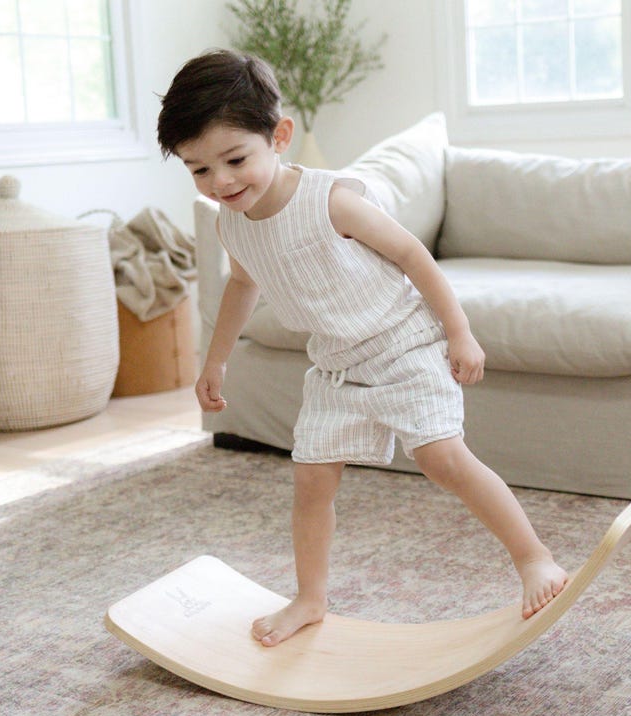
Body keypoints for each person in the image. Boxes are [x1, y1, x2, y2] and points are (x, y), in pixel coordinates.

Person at [158, 49, 568, 647]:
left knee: (442, 459)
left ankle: (533, 558)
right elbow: (243, 285)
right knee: (311, 480)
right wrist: (215, 359)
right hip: (337, 364)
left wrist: (460, 332)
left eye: (235, 159)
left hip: (403, 344)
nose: (220, 182)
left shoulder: (332, 201)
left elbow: (411, 256)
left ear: (280, 136)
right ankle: (310, 598)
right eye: (199, 170)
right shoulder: (231, 222)